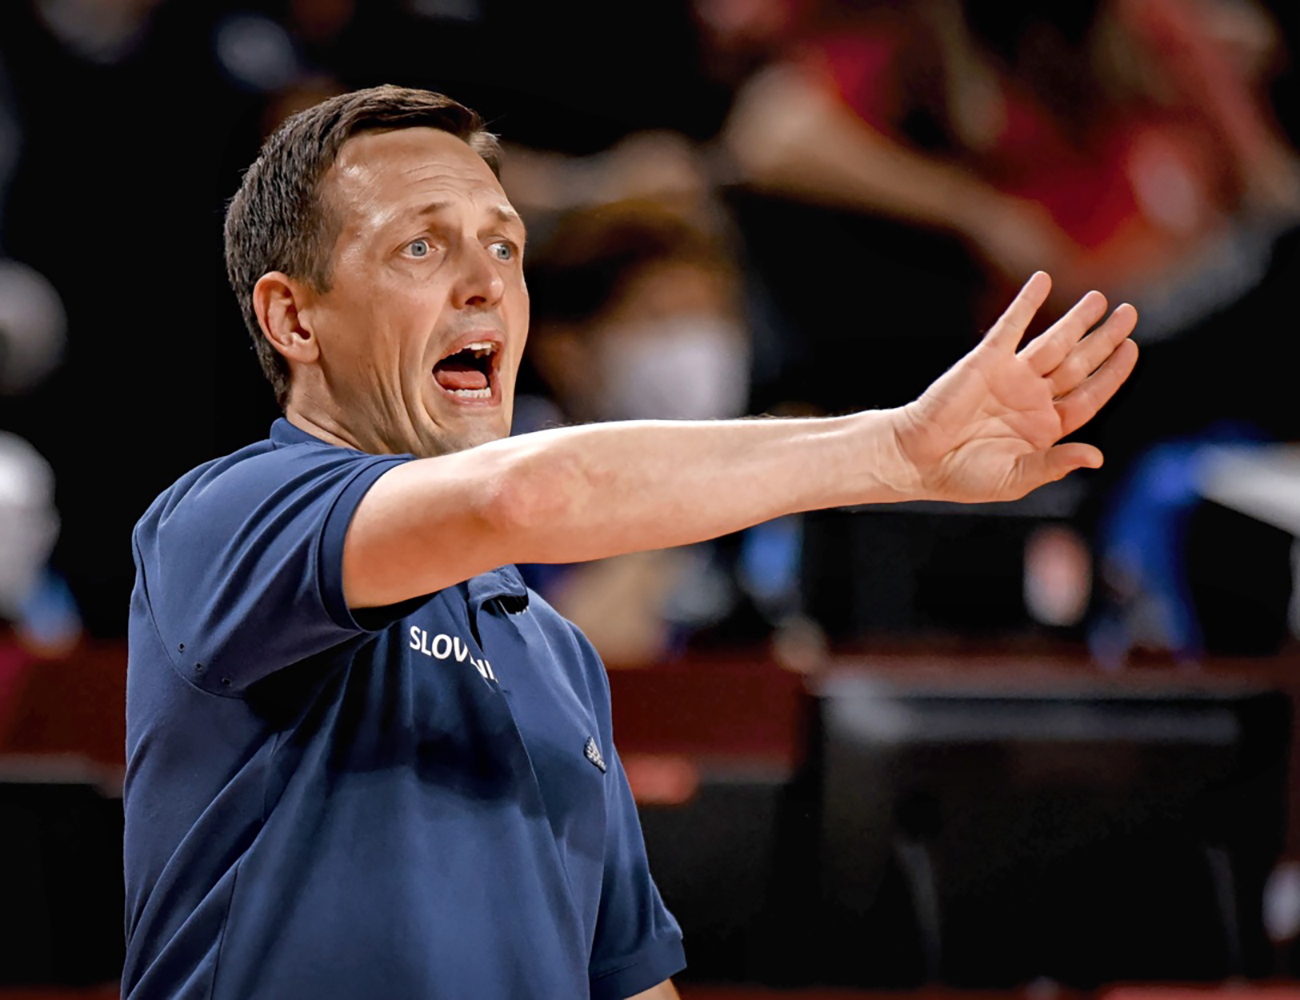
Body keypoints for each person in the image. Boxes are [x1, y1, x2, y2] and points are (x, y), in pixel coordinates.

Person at [123, 85, 1138, 1000]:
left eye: (505, 247)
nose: (486, 283)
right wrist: (891, 451)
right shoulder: (227, 517)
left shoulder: (554, 657)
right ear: (294, 319)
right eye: (421, 248)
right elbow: (524, 496)